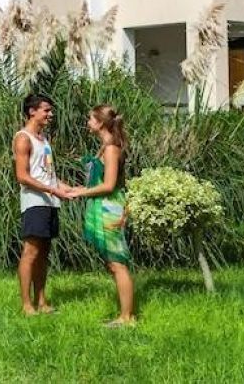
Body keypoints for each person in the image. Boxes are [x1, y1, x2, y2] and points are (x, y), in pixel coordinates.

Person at [73, 104, 136, 326]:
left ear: (100, 123)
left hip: (110, 208)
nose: (88, 123)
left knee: (117, 263)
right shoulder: (106, 146)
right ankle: (125, 314)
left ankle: (127, 317)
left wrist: (81, 192)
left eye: (91, 119)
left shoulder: (111, 149)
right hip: (105, 206)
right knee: (112, 263)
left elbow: (109, 185)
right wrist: (79, 189)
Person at [13, 93, 76, 316]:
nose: (51, 114)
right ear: (32, 111)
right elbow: (22, 176)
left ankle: (41, 301)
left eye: (50, 110)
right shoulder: (23, 138)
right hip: (34, 203)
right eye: (46, 110)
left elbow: (48, 175)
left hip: (50, 202)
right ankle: (26, 304)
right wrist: (52, 190)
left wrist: (68, 188)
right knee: (30, 252)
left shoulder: (44, 140)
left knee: (43, 254)